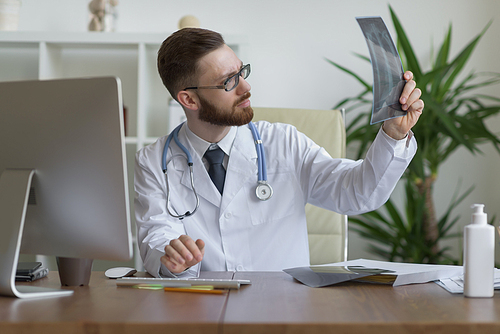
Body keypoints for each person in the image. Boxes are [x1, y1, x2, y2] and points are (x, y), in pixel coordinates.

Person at [134, 28, 424, 278]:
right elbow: (155, 236)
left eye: (242, 72)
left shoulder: (284, 142)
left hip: (284, 311)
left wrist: (393, 136)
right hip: (201, 308)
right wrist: (174, 259)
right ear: (188, 99)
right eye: (229, 81)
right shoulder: (153, 160)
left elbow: (357, 193)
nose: (246, 88)